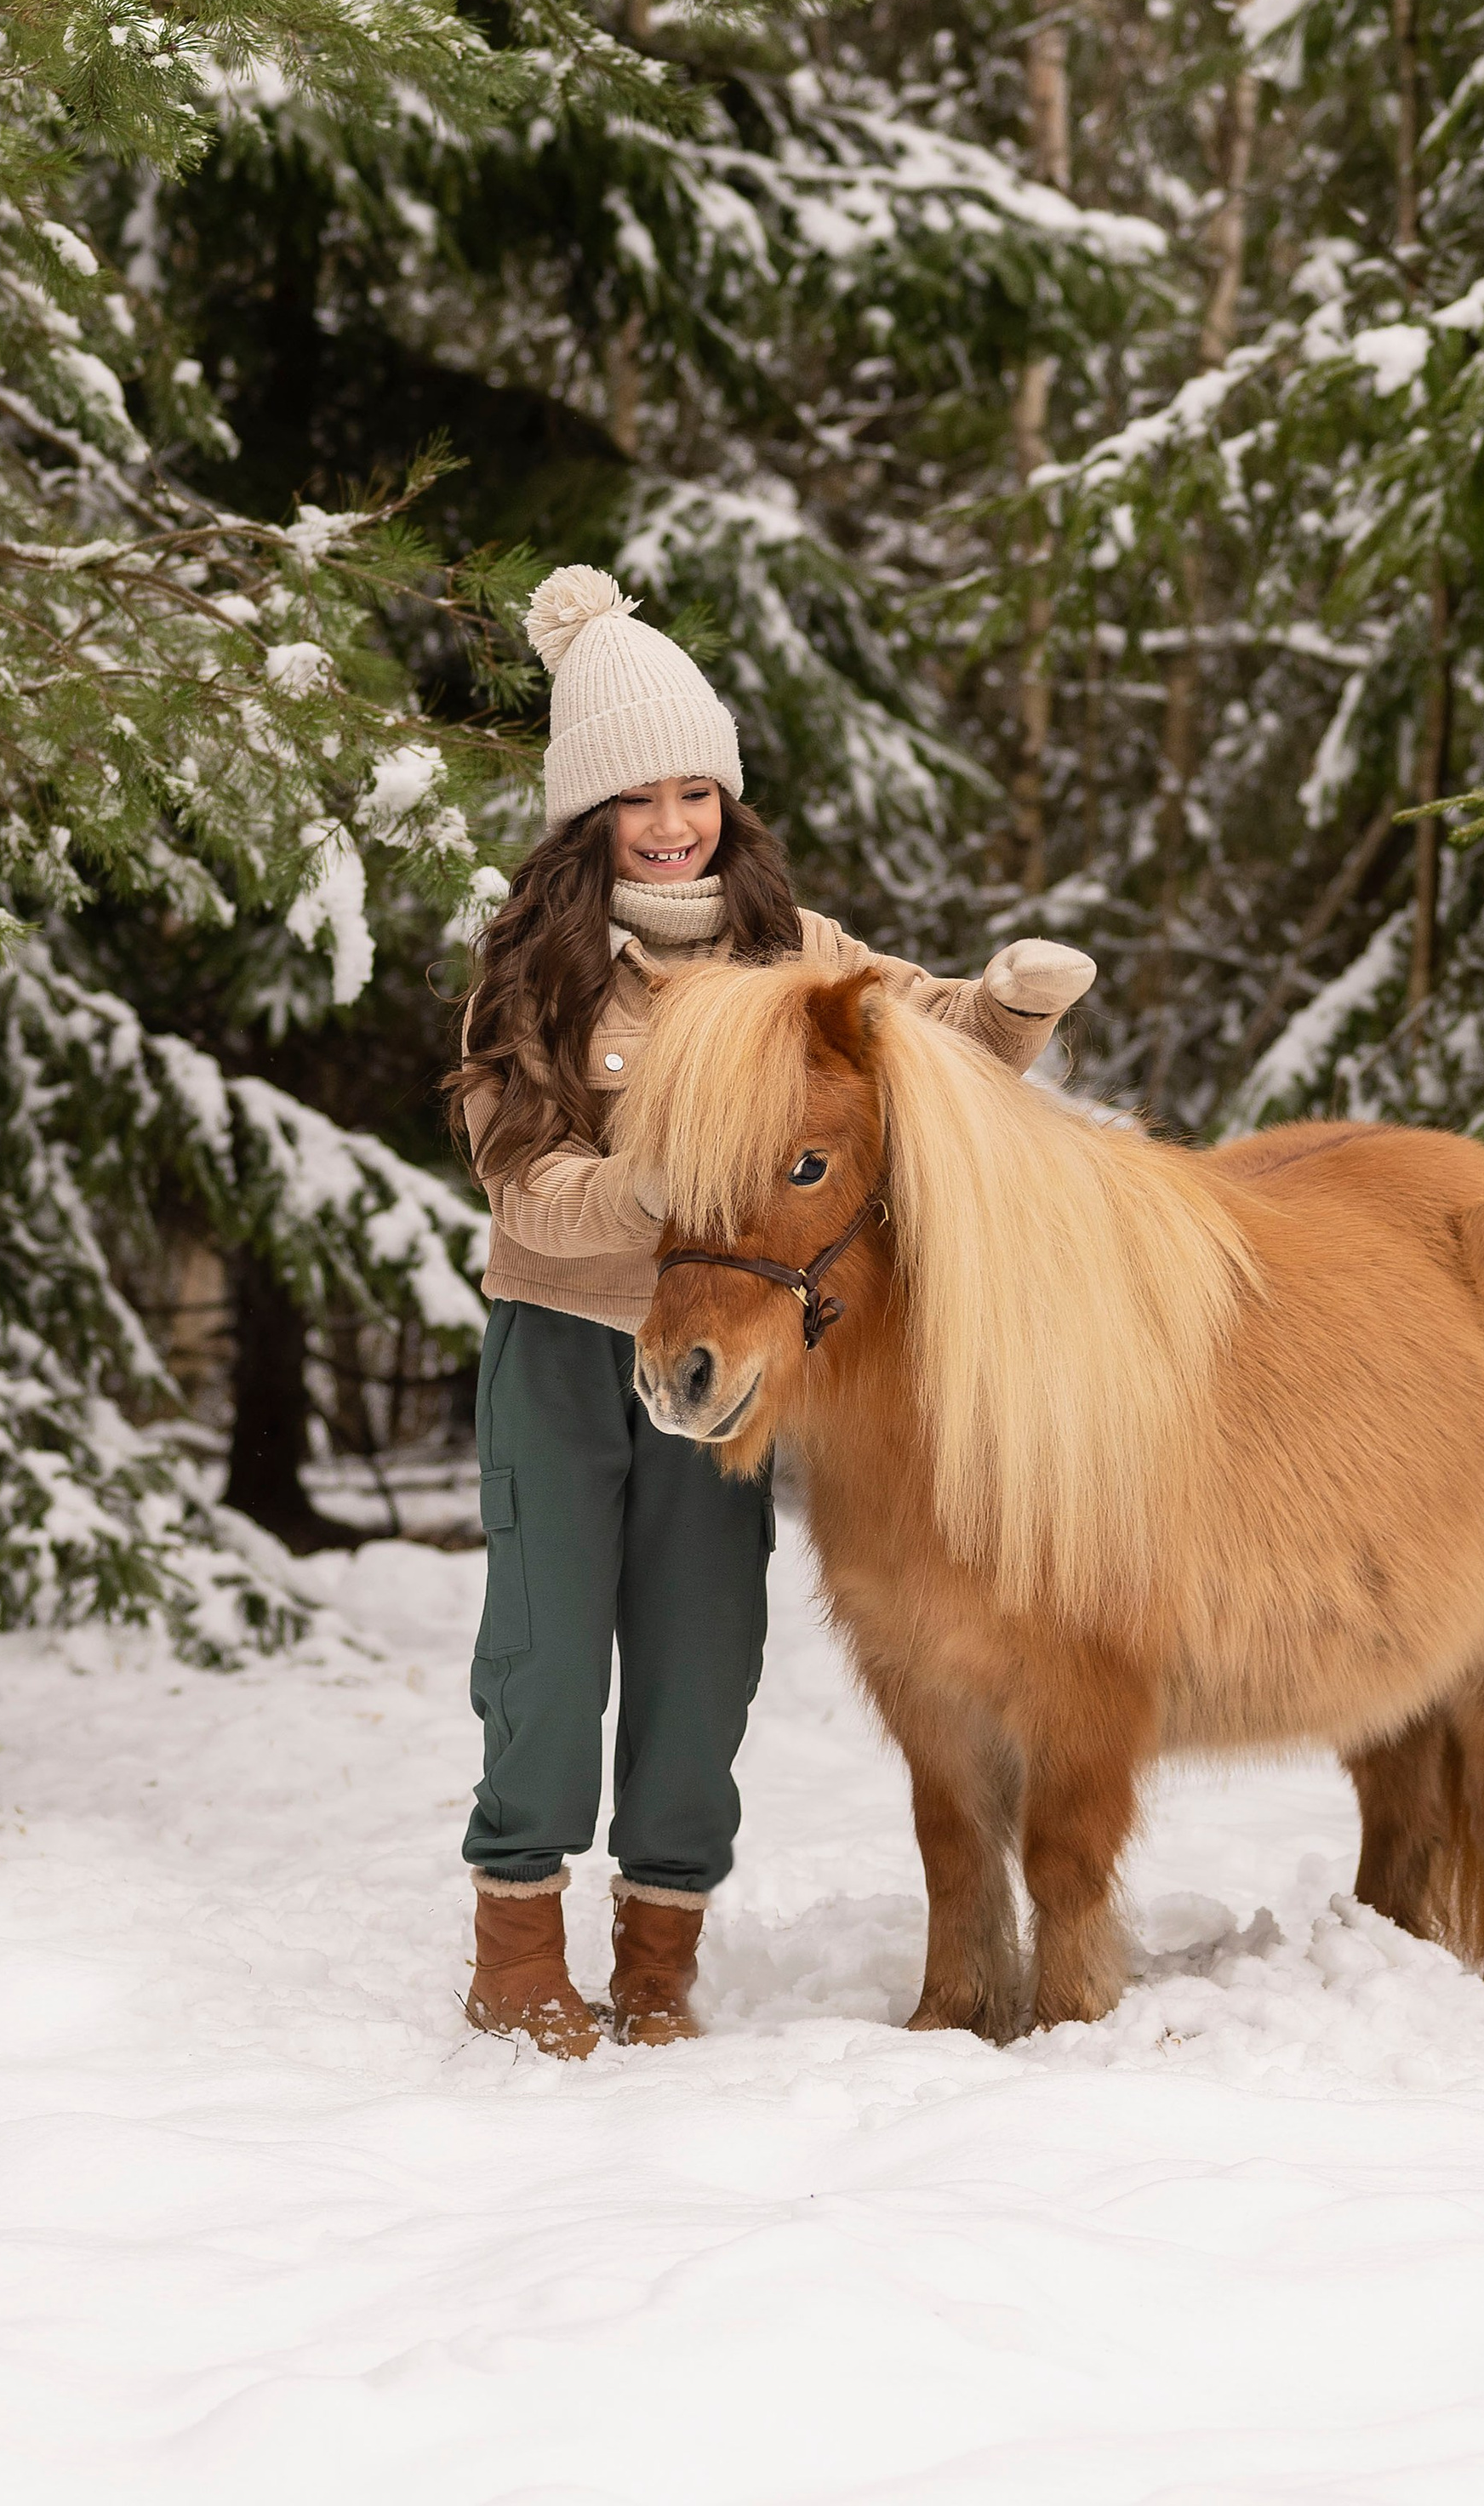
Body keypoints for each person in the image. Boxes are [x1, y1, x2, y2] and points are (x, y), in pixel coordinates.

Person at [445, 563, 1098, 2057]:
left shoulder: (791, 945)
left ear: (726, 798)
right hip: (564, 1342)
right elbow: (521, 1175)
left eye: (696, 790)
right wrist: (651, 1186)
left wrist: (1010, 1007)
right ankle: (518, 1948)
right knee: (546, 1652)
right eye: (638, 798)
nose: (672, 821)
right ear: (588, 814)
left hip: (728, 1362)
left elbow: (923, 1042)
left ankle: (660, 1958)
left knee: (701, 1647)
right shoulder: (536, 972)